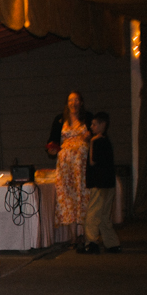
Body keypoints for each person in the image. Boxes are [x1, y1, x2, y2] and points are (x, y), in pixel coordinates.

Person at [47, 92, 93, 230]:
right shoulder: (60, 120)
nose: (74, 103)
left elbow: (97, 135)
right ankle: (72, 236)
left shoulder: (88, 118)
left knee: (82, 195)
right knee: (68, 198)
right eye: (71, 100)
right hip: (65, 167)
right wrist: (52, 149)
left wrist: (89, 136)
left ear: (81, 102)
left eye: (77, 100)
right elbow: (52, 141)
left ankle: (85, 234)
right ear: (67, 104)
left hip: (82, 167)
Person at [79, 111, 120, 254]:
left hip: (99, 182)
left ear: (103, 125)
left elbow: (92, 161)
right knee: (104, 215)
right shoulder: (107, 141)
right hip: (109, 182)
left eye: (95, 124)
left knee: (93, 213)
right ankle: (112, 243)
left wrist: (90, 143)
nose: (91, 126)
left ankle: (91, 242)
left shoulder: (96, 141)